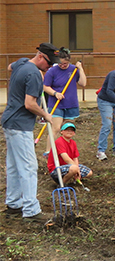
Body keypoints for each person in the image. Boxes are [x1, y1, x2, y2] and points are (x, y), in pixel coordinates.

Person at [1, 43, 58, 223]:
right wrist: (45, 115)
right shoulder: (34, 74)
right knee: (28, 166)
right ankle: (31, 210)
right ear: (40, 57)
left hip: (9, 121)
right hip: (20, 125)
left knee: (13, 164)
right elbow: (30, 104)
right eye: (49, 63)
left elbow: (10, 66)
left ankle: (14, 204)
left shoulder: (23, 64)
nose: (50, 67)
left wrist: (24, 61)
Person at [43, 47, 87, 158]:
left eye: (65, 63)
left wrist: (80, 69)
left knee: (68, 128)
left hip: (71, 103)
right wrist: (55, 93)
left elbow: (83, 83)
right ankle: (49, 151)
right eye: (61, 63)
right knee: (56, 128)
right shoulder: (52, 71)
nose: (63, 65)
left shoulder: (73, 69)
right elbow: (45, 87)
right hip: (56, 103)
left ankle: (65, 150)